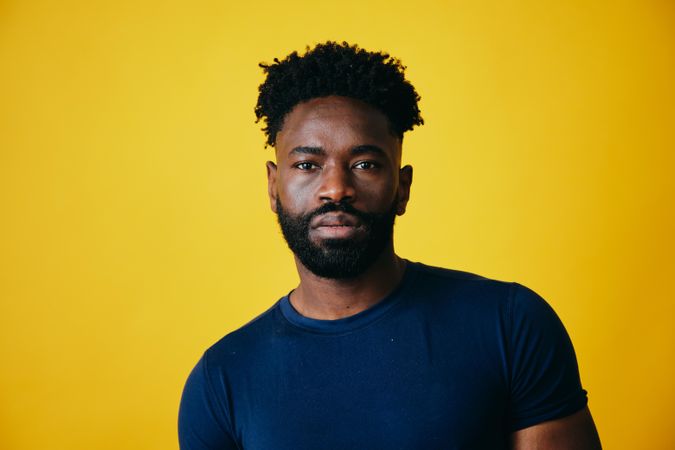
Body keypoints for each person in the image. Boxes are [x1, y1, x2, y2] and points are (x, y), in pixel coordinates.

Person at [178, 41, 601, 450]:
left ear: (402, 186)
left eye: (365, 164)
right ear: (273, 186)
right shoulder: (223, 379)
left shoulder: (509, 325)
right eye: (307, 165)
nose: (336, 188)